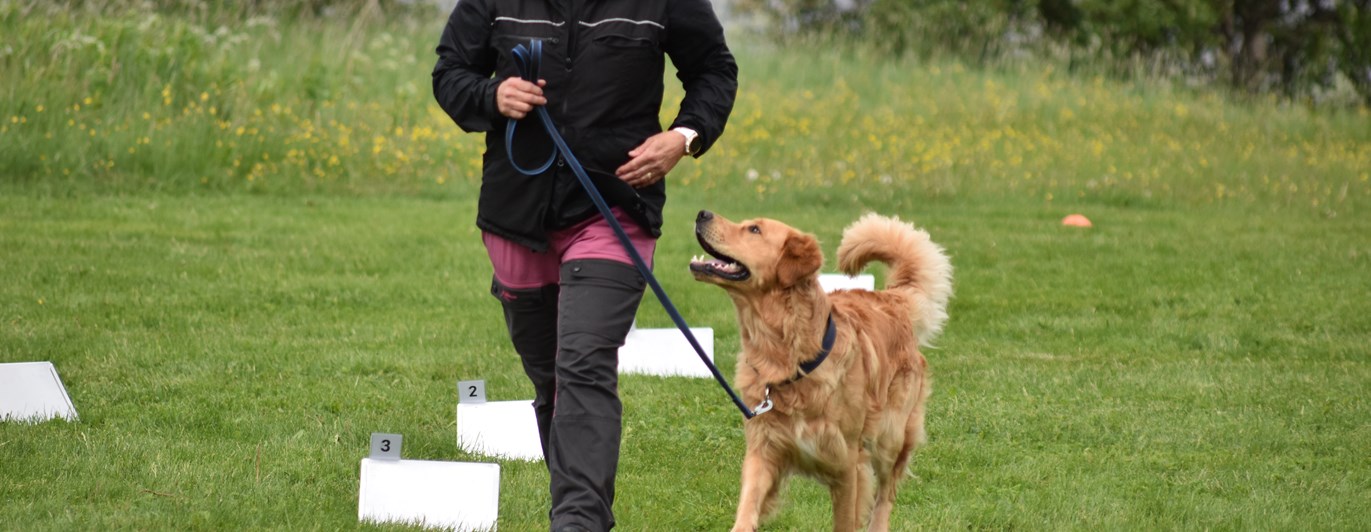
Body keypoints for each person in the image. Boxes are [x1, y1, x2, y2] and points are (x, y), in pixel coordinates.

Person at [432, 0, 737, 529]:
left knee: (584, 367)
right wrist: (492, 95)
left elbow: (714, 69)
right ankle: (579, 504)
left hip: (614, 208)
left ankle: (578, 522)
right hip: (516, 214)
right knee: (551, 378)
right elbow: (450, 73)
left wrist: (682, 137)